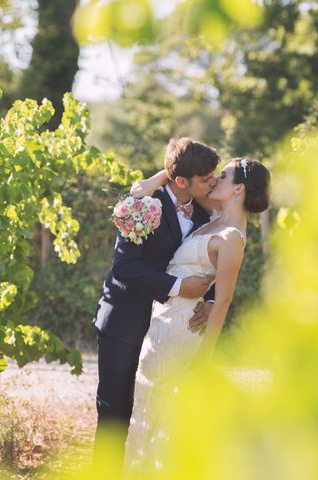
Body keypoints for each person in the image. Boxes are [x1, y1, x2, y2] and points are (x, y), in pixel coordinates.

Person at [124, 158, 271, 472]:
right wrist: (155, 181)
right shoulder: (215, 214)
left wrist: (204, 359)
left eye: (224, 175)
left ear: (239, 189)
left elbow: (225, 300)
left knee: (159, 414)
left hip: (183, 330)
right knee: (149, 409)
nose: (215, 179)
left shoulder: (232, 237)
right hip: (164, 319)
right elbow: (185, 177)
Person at [92, 137, 221, 465]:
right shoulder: (143, 204)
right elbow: (123, 266)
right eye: (206, 179)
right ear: (181, 181)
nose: (214, 183)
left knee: (153, 417)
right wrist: (179, 286)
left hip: (169, 330)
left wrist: (210, 299)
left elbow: (220, 257)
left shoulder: (207, 211)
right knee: (115, 415)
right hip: (124, 323)